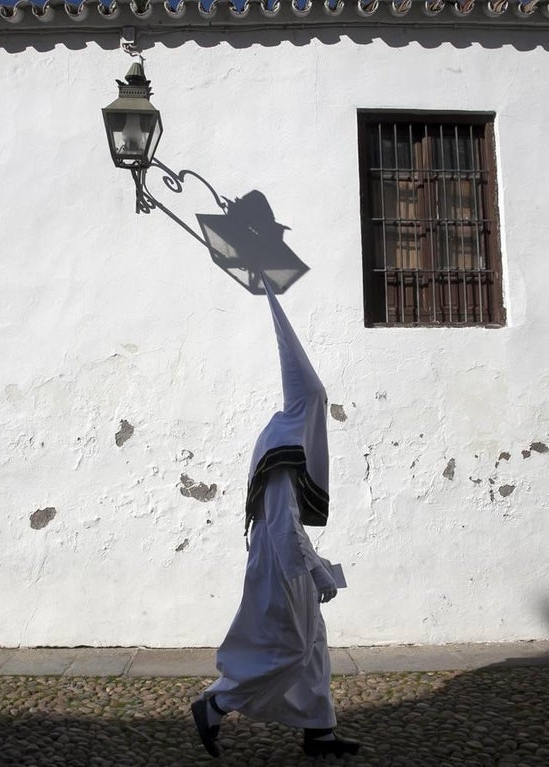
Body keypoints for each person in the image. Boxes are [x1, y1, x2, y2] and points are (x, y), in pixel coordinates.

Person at [191, 277, 359, 759]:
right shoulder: (285, 447)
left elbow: (286, 524)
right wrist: (315, 569)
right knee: (289, 645)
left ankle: (319, 730)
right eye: (318, 408)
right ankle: (217, 705)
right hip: (281, 562)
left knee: (313, 645)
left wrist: (318, 564)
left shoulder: (280, 435)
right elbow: (284, 524)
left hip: (282, 554)